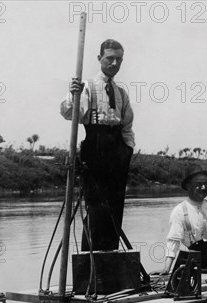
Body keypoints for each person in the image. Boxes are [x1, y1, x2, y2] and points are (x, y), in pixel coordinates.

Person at [60, 39, 135, 251]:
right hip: (95, 148)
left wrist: (127, 150)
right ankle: (91, 265)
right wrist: (72, 94)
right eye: (110, 58)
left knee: (115, 208)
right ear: (99, 58)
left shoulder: (121, 93)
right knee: (96, 208)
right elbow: (68, 113)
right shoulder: (88, 87)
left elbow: (127, 126)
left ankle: (110, 258)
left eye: (118, 59)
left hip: (118, 152)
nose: (114, 63)